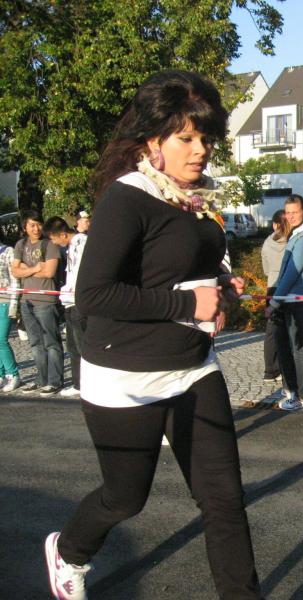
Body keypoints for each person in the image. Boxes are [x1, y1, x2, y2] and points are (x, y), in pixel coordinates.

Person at [43, 70, 260, 600]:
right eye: (186, 137)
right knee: (125, 498)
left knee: (224, 500)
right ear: (152, 142)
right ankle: (69, 551)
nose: (200, 149)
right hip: (124, 376)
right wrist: (188, 303)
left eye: (205, 137)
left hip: (193, 368)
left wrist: (220, 290)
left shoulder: (194, 199)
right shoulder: (128, 197)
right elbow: (93, 295)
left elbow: (179, 270)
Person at [265, 194, 303, 411]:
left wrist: (274, 302)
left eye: (294, 212)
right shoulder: (299, 234)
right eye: (287, 212)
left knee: (297, 347)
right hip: (291, 297)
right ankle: (290, 389)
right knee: (285, 344)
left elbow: (290, 274)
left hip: (295, 298)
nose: (290, 216)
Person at [12, 210, 64, 394]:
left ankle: (55, 381)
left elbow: (49, 272)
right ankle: (41, 379)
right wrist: (35, 268)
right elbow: (15, 270)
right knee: (35, 343)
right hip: (27, 300)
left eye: (39, 224)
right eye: (32, 225)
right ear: (25, 227)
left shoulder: (49, 244)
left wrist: (25, 269)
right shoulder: (21, 244)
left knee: (51, 342)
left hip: (46, 300)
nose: (36, 228)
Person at [43, 217, 88, 398]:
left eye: (53, 238)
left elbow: (80, 273)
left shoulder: (81, 243)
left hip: (78, 301)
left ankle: (87, 383)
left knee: (82, 345)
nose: (54, 243)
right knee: (73, 346)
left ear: (62, 234)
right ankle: (78, 383)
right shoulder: (71, 246)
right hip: (69, 301)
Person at [260, 209, 286, 383]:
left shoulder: (267, 242)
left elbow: (266, 270)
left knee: (271, 331)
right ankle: (286, 368)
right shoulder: (293, 240)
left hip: (272, 286)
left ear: (275, 225)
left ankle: (270, 370)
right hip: (288, 288)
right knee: (288, 329)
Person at [0, 230, 21, 392]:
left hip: (5, 301)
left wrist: (14, 302)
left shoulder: (8, 251)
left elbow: (14, 279)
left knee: (1, 339)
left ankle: (13, 374)